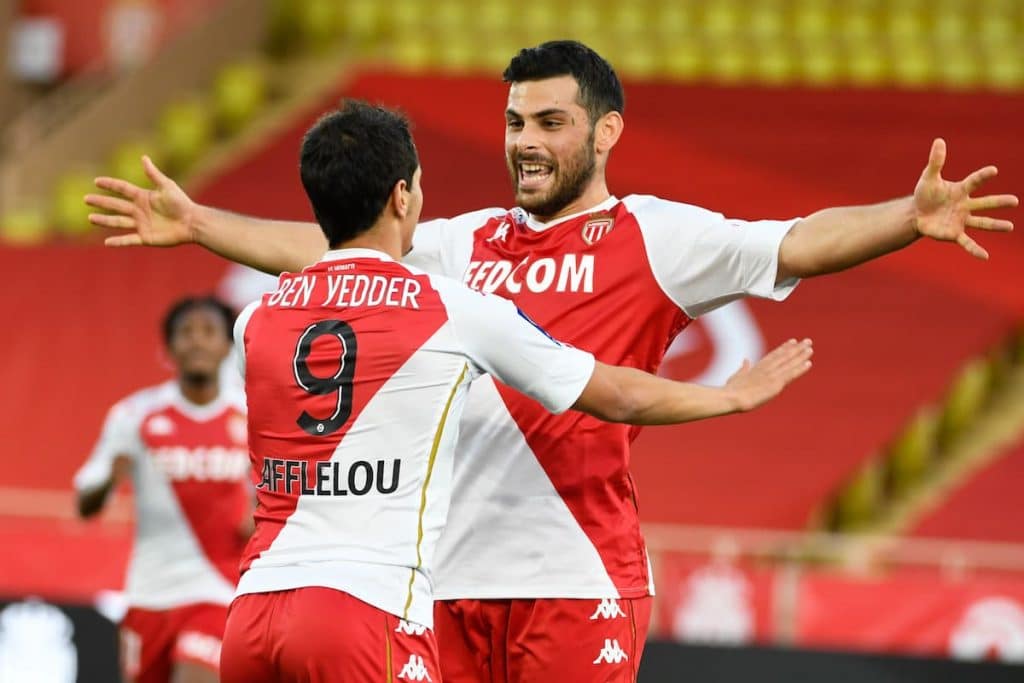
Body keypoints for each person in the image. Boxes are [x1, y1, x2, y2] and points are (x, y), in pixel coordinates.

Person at [85, 41, 1016, 682]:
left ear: (605, 132)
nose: (524, 141)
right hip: (439, 582)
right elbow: (335, 254)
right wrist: (201, 223)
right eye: (514, 121)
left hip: (575, 574)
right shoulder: (461, 242)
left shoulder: (658, 235)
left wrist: (906, 216)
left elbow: (795, 242)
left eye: (549, 123)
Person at [216, 99, 810, 682]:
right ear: (403, 195)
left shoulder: (256, 321)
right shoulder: (452, 308)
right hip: (366, 607)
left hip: (253, 610)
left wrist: (198, 224)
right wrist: (730, 397)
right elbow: (614, 395)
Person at [74, 296, 251, 683]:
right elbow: (85, 502)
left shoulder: (251, 416)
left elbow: (275, 501)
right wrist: (107, 482)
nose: (197, 342)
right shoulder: (135, 415)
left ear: (228, 346)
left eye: (208, 332)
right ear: (168, 347)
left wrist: (258, 519)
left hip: (219, 592)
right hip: (149, 593)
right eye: (186, 332)